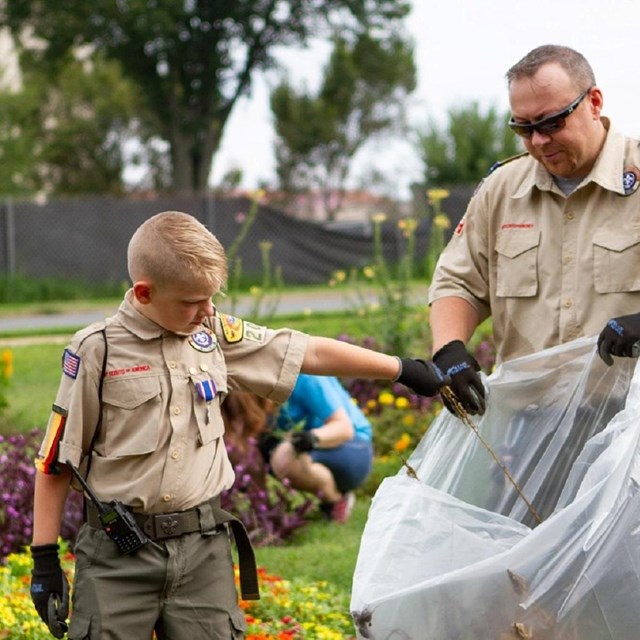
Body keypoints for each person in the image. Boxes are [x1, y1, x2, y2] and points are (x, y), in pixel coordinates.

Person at [29, 210, 448, 640]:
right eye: (192, 301)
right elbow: (57, 461)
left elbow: (306, 353)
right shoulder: (96, 351)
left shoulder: (212, 335)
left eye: (212, 298)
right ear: (144, 292)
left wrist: (403, 369)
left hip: (201, 551)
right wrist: (44, 559)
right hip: (118, 557)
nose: (206, 311)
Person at [428, 44, 640, 417]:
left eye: (551, 122)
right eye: (523, 127)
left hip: (629, 428)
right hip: (529, 424)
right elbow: (458, 282)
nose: (539, 140)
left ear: (594, 102)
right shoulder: (502, 190)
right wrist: (450, 350)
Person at [266, 373, 373, 524]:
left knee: (284, 459)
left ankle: (335, 502)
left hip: (353, 448)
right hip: (314, 446)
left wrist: (299, 442)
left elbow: (344, 429)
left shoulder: (307, 377)